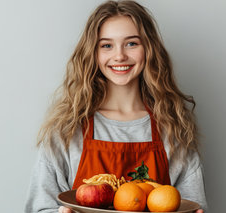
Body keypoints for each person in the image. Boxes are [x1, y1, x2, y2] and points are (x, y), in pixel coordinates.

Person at [24, 0, 207, 212]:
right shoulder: (68, 128)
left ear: (149, 49)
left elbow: (192, 205)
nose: (119, 55)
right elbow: (39, 207)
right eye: (106, 45)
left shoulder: (173, 129)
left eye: (131, 43)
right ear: (93, 53)